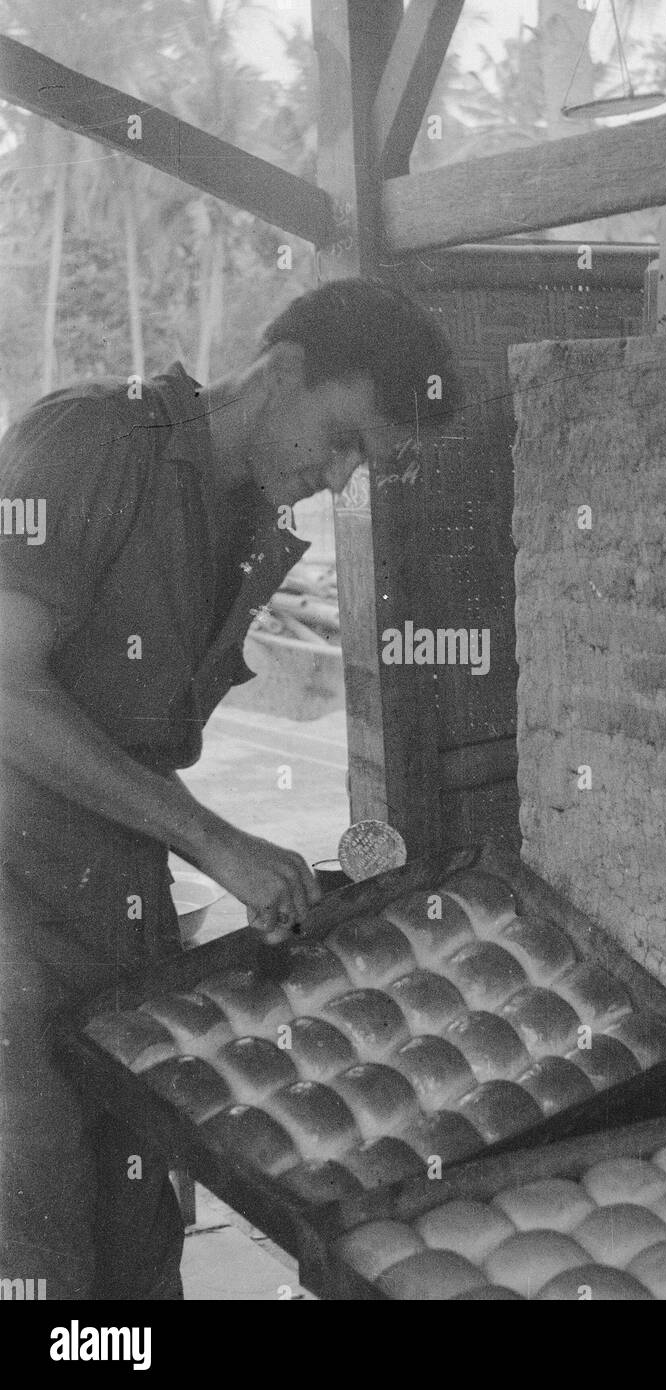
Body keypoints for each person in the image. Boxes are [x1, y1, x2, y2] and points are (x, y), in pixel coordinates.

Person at [0, 277, 458, 1300]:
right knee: (40, 1238)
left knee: (136, 1219)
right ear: (283, 367)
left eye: (364, 465)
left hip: (114, 904)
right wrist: (212, 840)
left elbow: (132, 737)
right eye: (341, 437)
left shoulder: (241, 514)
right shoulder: (88, 443)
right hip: (9, 909)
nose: (338, 478)